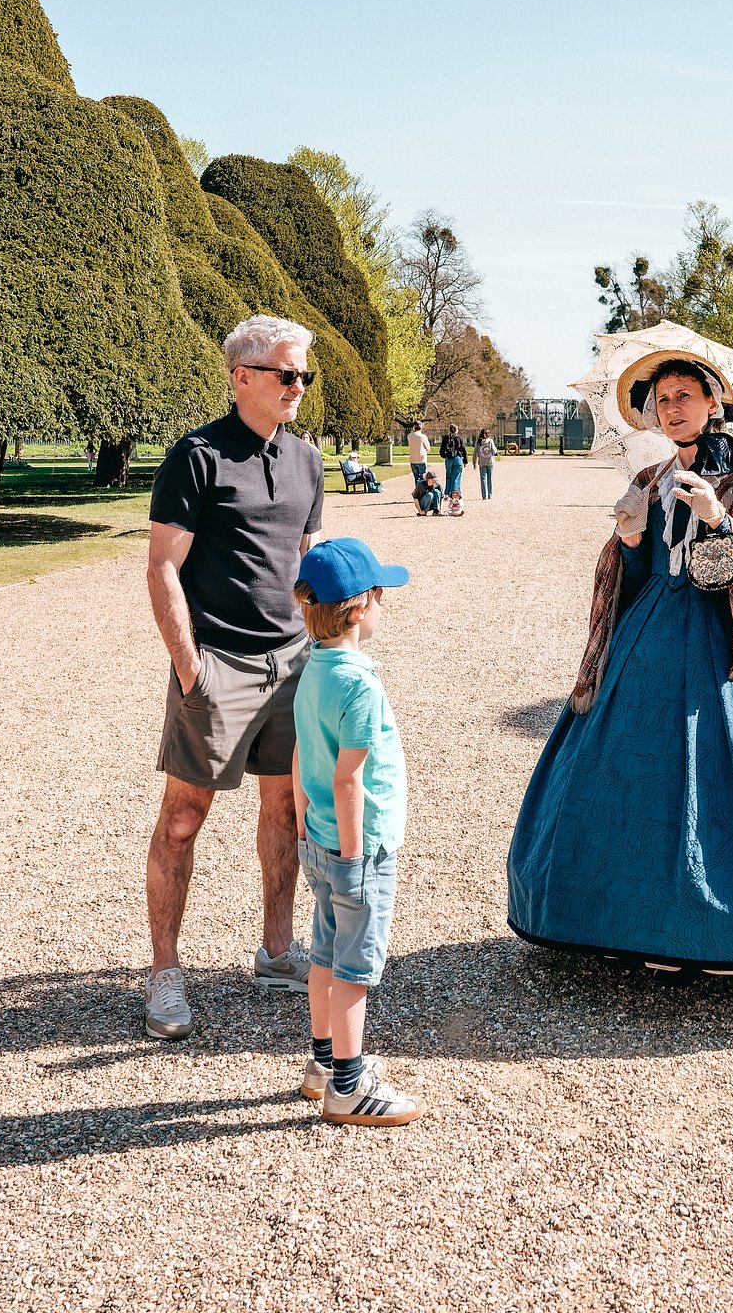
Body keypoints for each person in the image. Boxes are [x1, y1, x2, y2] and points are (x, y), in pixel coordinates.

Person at [507, 352, 733, 1010]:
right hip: (647, 644)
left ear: (713, 403)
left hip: (727, 654)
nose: (672, 407)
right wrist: (631, 536)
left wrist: (717, 520)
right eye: (661, 399)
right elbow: (642, 577)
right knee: (637, 782)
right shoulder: (650, 478)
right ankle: (647, 927)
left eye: (684, 395)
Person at [142, 314, 325, 1041]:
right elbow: (162, 567)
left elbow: (310, 561)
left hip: (292, 663)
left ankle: (277, 951)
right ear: (242, 376)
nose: (299, 387)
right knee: (184, 818)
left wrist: (328, 651)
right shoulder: (197, 457)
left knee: (284, 812)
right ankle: (164, 971)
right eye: (288, 374)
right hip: (219, 663)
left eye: (305, 375)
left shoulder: (307, 461)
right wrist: (190, 668)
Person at [290, 537, 422, 1127]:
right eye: (381, 595)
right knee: (354, 970)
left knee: (323, 955)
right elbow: (349, 777)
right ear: (363, 605)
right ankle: (349, 1084)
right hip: (356, 849)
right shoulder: (361, 685)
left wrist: (304, 826)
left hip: (317, 839)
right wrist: (351, 852)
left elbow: (301, 755)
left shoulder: (312, 670)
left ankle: (321, 1065)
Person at [439, 427, 466, 511]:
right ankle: (454, 494)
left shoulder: (446, 438)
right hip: (457, 458)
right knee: (456, 477)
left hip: (448, 459)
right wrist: (465, 460)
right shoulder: (459, 438)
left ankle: (447, 493)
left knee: (449, 475)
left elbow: (442, 450)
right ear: (456, 430)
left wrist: (445, 455)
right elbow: (463, 449)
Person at [406, 420, 430, 491]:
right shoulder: (423, 437)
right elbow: (428, 448)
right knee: (423, 477)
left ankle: (418, 491)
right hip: (421, 459)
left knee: (416, 478)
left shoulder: (409, 436)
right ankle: (422, 491)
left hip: (413, 459)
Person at [474, 428, 496, 500]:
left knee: (483, 479)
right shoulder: (490, 441)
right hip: (490, 461)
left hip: (482, 462)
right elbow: (494, 451)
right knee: (490, 479)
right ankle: (490, 495)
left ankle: (484, 496)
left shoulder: (479, 442)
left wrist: (474, 462)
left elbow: (475, 453)